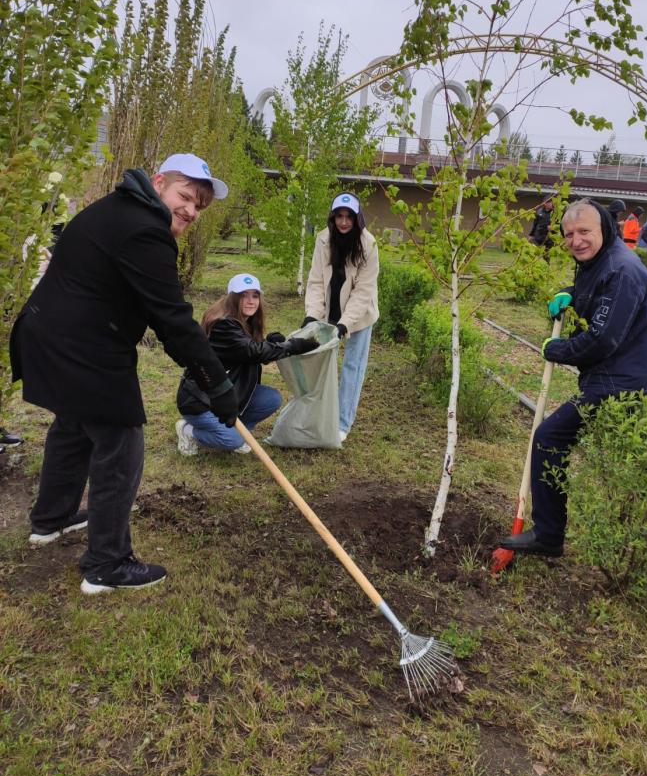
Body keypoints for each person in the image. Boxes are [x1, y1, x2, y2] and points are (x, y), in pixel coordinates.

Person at [9, 153, 240, 595]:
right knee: (121, 438)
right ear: (158, 183)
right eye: (186, 196)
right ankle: (107, 563)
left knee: (74, 424)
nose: (191, 211)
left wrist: (209, 379)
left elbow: (161, 319)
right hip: (79, 344)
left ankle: (50, 519)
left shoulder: (119, 209)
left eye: (200, 206)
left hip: (52, 334)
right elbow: (173, 318)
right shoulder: (144, 230)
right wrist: (218, 383)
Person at [498, 199, 647, 557]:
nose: (576, 240)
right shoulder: (599, 262)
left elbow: (603, 339)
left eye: (584, 232)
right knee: (625, 462)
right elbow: (597, 301)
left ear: (604, 228)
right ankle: (630, 537)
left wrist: (557, 349)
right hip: (611, 377)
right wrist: (572, 297)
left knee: (550, 437)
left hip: (619, 383)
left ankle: (549, 536)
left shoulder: (622, 270)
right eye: (569, 234)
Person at [176, 273, 318, 454]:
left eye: (255, 295)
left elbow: (248, 353)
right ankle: (189, 430)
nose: (250, 301)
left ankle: (235, 433)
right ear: (231, 298)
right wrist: (292, 346)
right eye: (243, 295)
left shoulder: (244, 321)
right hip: (201, 401)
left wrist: (271, 342)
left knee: (271, 398)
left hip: (227, 393)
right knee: (232, 441)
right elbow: (252, 351)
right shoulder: (223, 324)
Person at [303, 192, 379, 443]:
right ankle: (320, 413)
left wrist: (346, 324)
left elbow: (363, 292)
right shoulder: (323, 240)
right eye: (339, 217)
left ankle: (342, 422)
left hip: (359, 315)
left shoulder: (368, 245)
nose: (344, 222)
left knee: (352, 367)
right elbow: (315, 281)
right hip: (330, 310)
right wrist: (312, 315)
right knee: (322, 363)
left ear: (358, 219)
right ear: (333, 217)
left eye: (349, 217)